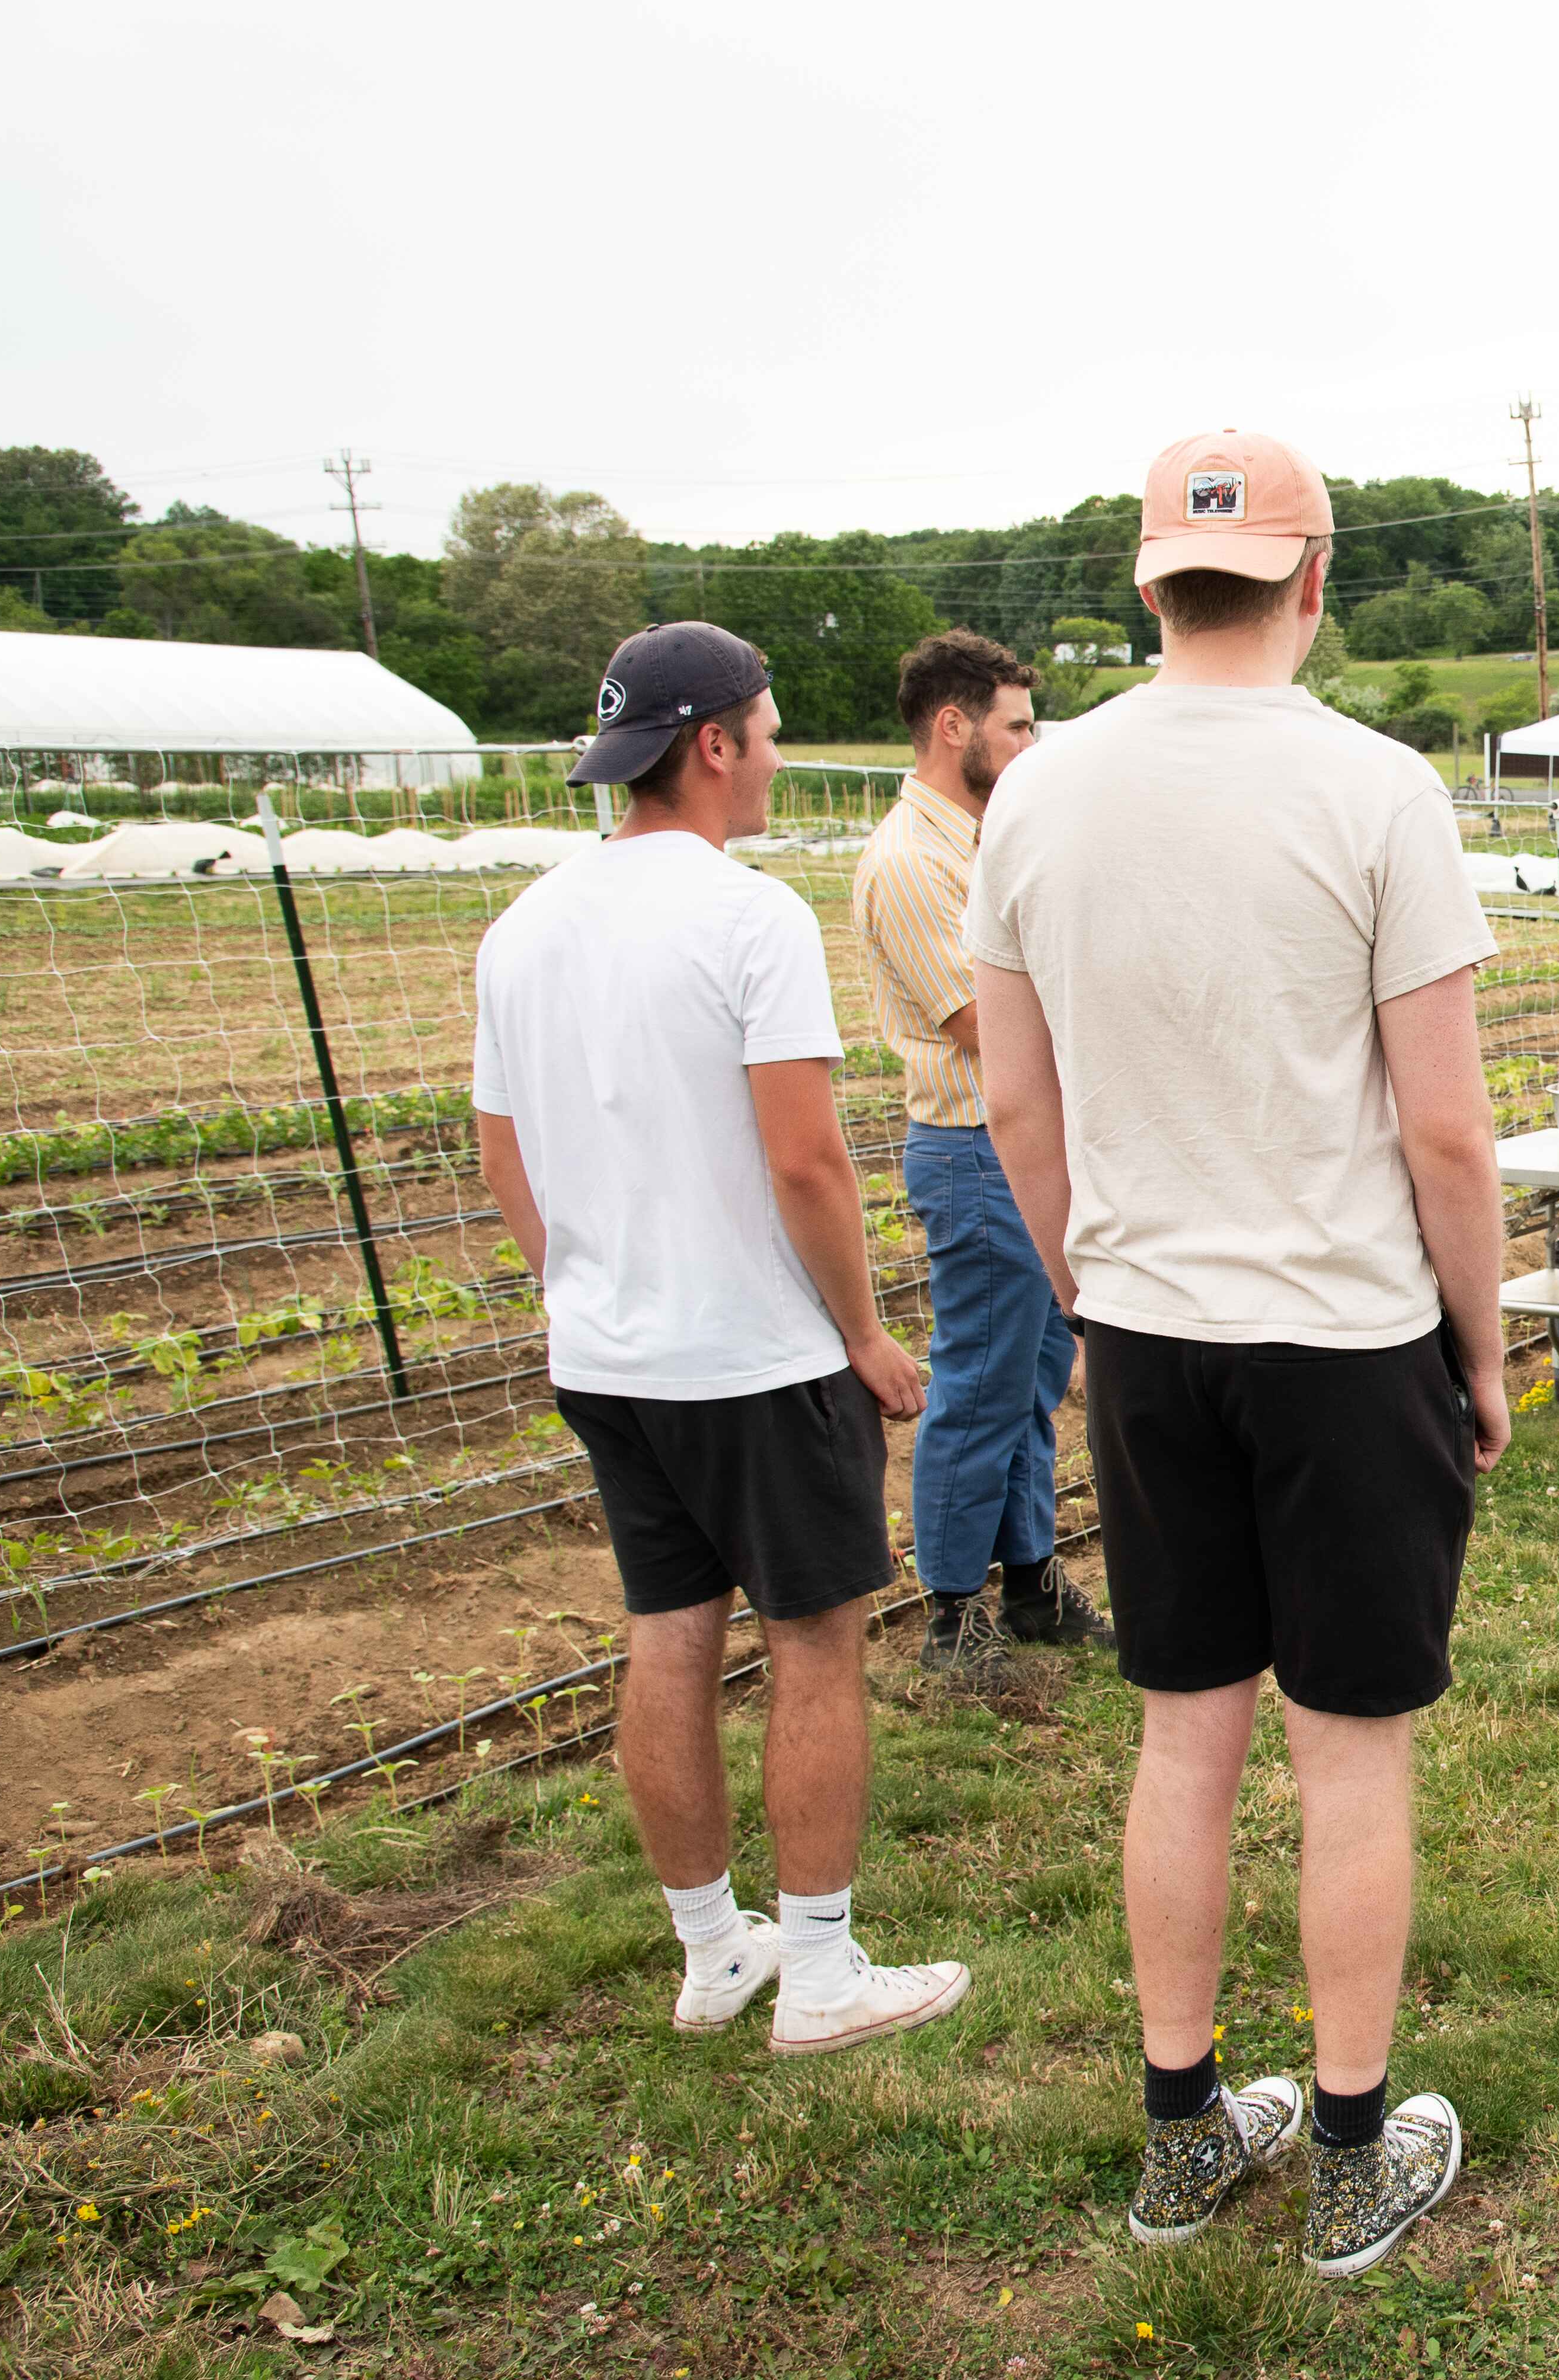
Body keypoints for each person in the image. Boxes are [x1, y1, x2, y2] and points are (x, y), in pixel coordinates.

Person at [970, 427, 1504, 2279]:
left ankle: (1185, 2133)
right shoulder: (1375, 788)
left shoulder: (1034, 792)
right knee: (1346, 1753)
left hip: (1146, 1333)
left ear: (1147, 581)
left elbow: (1015, 1101)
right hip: (1345, 1334)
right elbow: (1445, 1130)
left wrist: (1093, 1281)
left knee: (1181, 1736)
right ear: (1315, 576)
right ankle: (1353, 2153)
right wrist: (1488, 1349)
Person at [473, 620, 972, 2055]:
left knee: (670, 1631)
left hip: (608, 1355)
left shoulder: (525, 926)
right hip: (753, 1355)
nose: (769, 760)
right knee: (817, 1641)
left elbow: (504, 1153)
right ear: (712, 743)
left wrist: (579, 1282)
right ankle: (819, 1970)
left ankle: (711, 1950)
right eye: (760, 735)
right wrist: (865, 1336)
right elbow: (806, 1163)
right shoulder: (747, 918)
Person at [851, 629, 1108, 1678]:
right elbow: (988, 1030)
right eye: (1016, 726)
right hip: (974, 1149)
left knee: (1031, 1378)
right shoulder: (910, 864)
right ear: (953, 727)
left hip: (1026, 1146)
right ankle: (952, 1612)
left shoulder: (983, 843)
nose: (1029, 743)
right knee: (979, 1384)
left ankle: (1032, 1578)